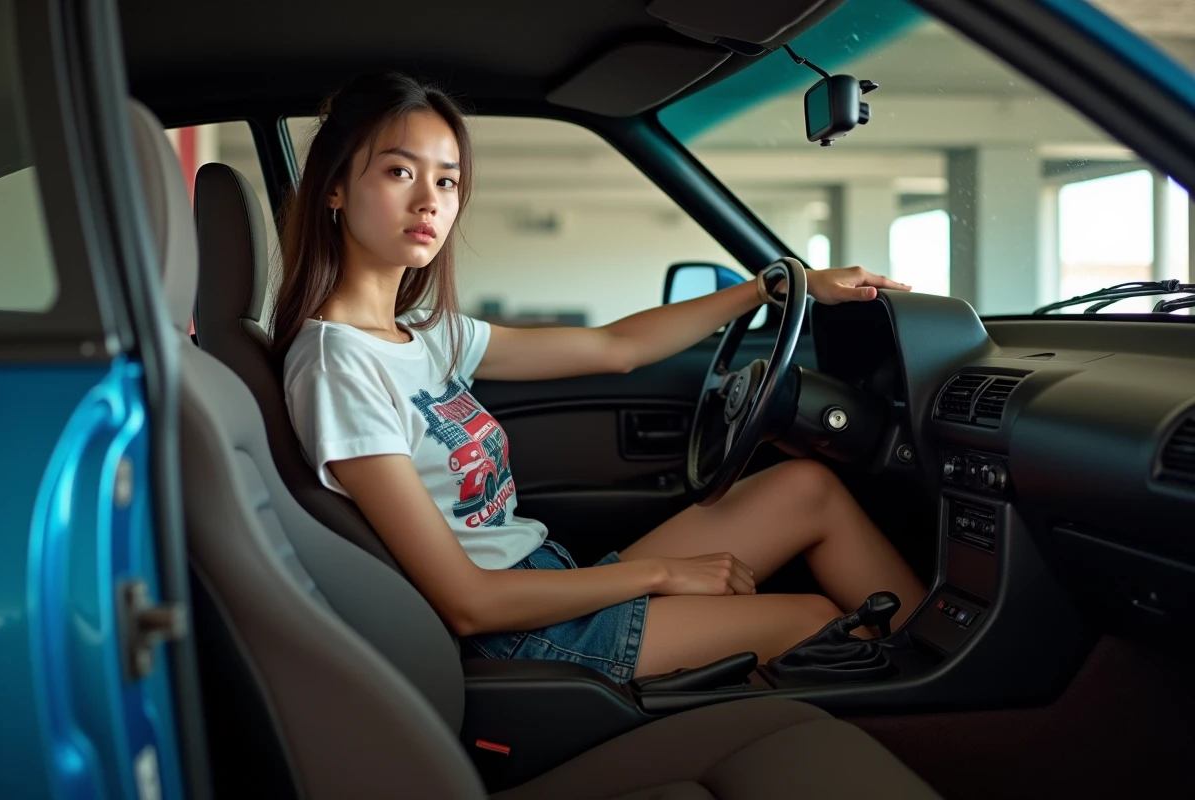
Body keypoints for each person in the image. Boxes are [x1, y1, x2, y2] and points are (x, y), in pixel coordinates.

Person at [275, 72, 926, 683]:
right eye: (398, 171)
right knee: (811, 620)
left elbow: (617, 346)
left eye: (446, 181)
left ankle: (951, 667)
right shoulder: (338, 365)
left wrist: (776, 286)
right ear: (333, 187)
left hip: (545, 582)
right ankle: (945, 724)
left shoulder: (424, 332)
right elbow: (467, 603)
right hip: (513, 635)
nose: (429, 201)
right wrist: (661, 574)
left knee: (806, 488)